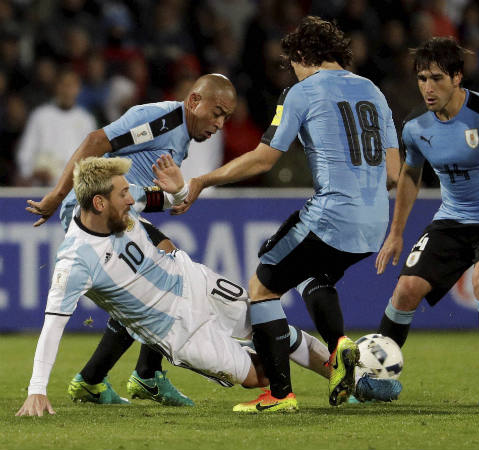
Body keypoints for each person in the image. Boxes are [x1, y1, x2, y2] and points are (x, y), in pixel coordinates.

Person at [171, 16, 402, 412]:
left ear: (301, 55)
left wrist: (204, 180)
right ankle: (340, 347)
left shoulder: (301, 92)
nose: (292, 71)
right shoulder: (373, 91)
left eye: (292, 63)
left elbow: (264, 159)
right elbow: (394, 174)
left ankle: (280, 395)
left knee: (262, 286)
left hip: (331, 214)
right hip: (375, 221)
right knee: (314, 275)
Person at [15, 155, 335, 417]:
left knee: (272, 328)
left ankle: (348, 376)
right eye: (123, 194)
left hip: (193, 281)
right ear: (99, 203)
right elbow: (52, 327)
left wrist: (179, 189)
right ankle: (251, 353)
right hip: (178, 331)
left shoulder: (114, 197)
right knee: (261, 375)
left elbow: (170, 198)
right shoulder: (75, 262)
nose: (131, 198)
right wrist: (37, 390)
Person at [25, 73, 237, 406]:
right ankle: (144, 375)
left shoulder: (182, 134)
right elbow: (96, 141)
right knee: (166, 270)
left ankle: (97, 379)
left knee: (146, 284)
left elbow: (139, 185)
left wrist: (172, 197)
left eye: (226, 117)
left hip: (124, 213)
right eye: (217, 113)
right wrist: (56, 195)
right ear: (195, 101)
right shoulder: (162, 119)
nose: (220, 124)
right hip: (95, 209)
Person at [375, 37, 479, 405]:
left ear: (457, 77)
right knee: (405, 290)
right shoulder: (415, 126)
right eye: (422, 78)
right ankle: (375, 379)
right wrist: (396, 233)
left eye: (437, 78)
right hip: (452, 219)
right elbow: (411, 174)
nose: (428, 88)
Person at [16, 68, 96, 186]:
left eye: (71, 85)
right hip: (42, 189)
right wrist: (33, 171)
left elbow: (92, 157)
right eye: (63, 85)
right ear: (56, 87)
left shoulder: (86, 120)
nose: (67, 90)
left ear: (78, 89)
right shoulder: (40, 116)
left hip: (75, 189)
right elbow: (24, 154)